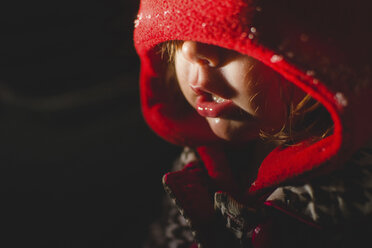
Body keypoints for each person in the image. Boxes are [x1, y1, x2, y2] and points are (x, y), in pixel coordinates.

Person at [133, 0, 372, 247]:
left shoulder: (354, 202)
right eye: (178, 32)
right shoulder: (196, 167)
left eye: (231, 30)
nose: (191, 51)